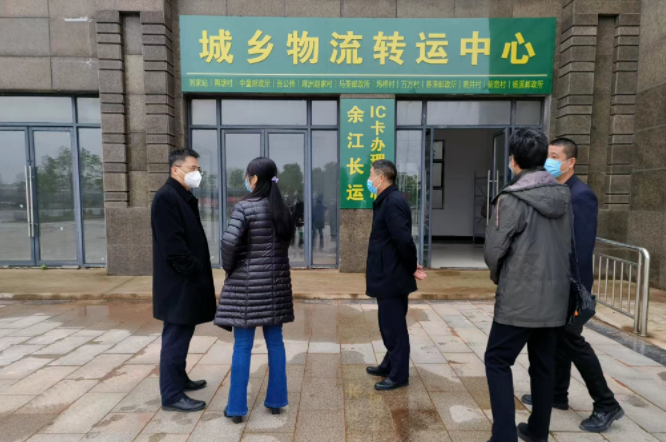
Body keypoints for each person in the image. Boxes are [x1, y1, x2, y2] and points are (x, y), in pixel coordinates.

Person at [520, 137, 624, 432]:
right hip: (556, 281)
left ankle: (606, 404)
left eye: (554, 156)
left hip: (570, 285)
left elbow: (579, 248)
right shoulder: (558, 191)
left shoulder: (581, 195)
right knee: (558, 340)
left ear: (571, 162)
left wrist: (572, 291)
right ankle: (557, 393)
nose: (548, 161)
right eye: (547, 156)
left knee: (571, 341)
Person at [484, 128, 572, 442]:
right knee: (543, 365)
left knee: (497, 360)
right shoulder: (563, 196)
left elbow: (494, 251)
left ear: (514, 160)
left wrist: (500, 277)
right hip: (555, 297)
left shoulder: (511, 198)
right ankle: (537, 432)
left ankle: (504, 436)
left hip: (519, 298)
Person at [215, 157, 296, 423]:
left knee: (242, 346)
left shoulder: (244, 208)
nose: (246, 180)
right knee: (276, 343)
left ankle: (237, 408)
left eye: (247, 176)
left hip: (246, 289)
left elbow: (229, 245)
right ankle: (276, 401)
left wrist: (231, 268)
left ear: (254, 179)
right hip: (276, 287)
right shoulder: (284, 210)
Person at [151, 148, 216, 412]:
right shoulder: (166, 197)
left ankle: (179, 378)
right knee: (175, 338)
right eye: (192, 168)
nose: (197, 173)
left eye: (198, 169)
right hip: (178, 283)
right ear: (175, 170)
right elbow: (173, 247)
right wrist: (194, 269)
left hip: (184, 282)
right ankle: (171, 395)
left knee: (183, 334)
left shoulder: (182, 196)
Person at [364, 160, 426, 391]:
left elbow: (404, 240)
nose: (369, 179)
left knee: (394, 328)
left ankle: (399, 375)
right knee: (388, 323)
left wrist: (411, 267)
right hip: (388, 272)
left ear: (381, 178)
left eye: (371, 175)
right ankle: (389, 364)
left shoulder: (393, 202)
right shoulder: (387, 200)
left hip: (392, 275)